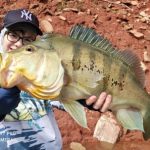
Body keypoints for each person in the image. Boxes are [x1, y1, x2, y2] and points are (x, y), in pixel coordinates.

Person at [0, 9, 112, 150]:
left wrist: (82, 96)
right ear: (2, 34)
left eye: (28, 40)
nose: (18, 44)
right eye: (13, 35)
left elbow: (61, 96)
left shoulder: (41, 68)